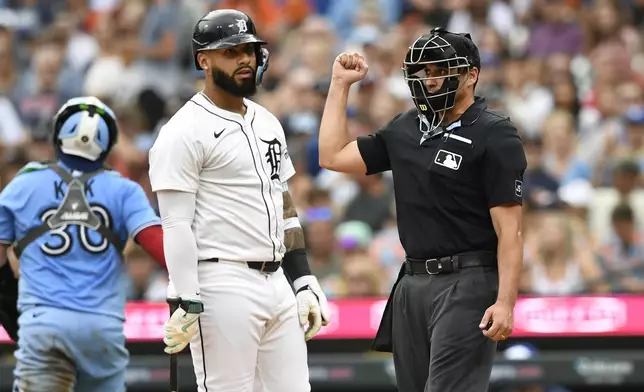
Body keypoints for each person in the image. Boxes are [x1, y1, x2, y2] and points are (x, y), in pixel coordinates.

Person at [318, 27, 527, 392]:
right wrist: (340, 84)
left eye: (439, 69)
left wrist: (506, 302)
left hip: (468, 280)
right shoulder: (404, 128)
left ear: (470, 75)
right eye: (423, 71)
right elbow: (333, 156)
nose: (429, 79)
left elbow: (510, 230)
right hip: (412, 283)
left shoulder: (495, 133)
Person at [148, 9, 330, 392]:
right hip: (221, 281)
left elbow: (283, 204)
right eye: (231, 51)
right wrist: (187, 297)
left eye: (249, 49)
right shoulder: (182, 130)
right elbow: (175, 223)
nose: (245, 58)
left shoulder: (267, 120)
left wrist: (304, 278)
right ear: (204, 60)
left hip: (276, 279)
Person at [0, 96, 167, 392]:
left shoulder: (24, 183)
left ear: (58, 135)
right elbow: (158, 245)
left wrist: (6, 293)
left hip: (44, 324)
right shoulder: (124, 190)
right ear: (108, 143)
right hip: (101, 328)